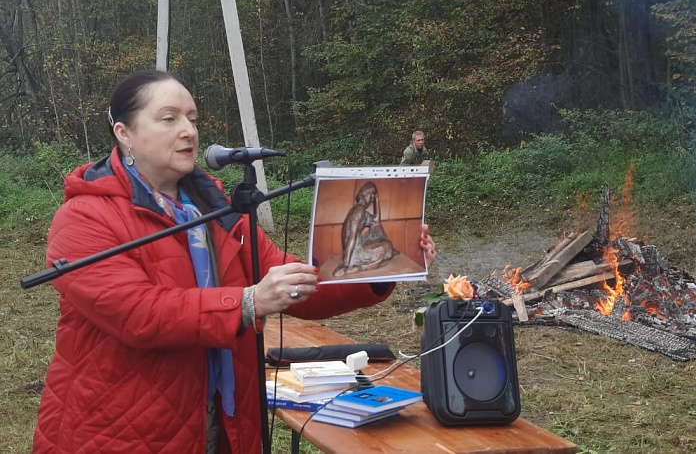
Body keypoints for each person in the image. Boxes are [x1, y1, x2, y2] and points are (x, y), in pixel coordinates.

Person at [33, 70, 437, 453]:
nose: (188, 131)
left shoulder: (217, 209)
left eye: (192, 118)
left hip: (222, 415)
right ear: (125, 134)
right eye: (168, 119)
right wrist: (248, 302)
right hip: (119, 425)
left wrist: (383, 269)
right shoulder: (85, 216)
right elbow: (138, 314)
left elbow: (291, 282)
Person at [333, 181, 398, 277]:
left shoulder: (361, 210)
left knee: (387, 245)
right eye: (371, 195)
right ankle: (358, 268)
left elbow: (376, 221)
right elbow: (351, 236)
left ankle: (390, 251)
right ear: (365, 194)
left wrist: (376, 199)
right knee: (387, 248)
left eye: (373, 196)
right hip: (355, 251)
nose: (372, 198)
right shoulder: (359, 211)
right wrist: (345, 262)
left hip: (358, 246)